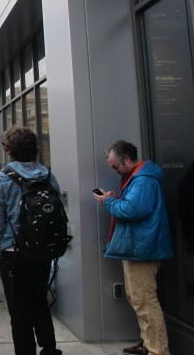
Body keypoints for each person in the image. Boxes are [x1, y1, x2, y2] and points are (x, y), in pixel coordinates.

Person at [94, 140, 173, 355]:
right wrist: (114, 200)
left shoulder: (144, 180)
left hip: (142, 249)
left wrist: (108, 202)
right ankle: (149, 344)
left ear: (127, 159)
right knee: (137, 298)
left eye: (115, 166)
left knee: (145, 301)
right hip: (139, 247)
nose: (115, 170)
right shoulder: (137, 178)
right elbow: (135, 207)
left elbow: (132, 211)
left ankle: (157, 350)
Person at [0, 127, 62, 355]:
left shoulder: (1, 179)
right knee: (40, 301)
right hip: (42, 251)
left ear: (9, 150)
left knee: (19, 312)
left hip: (14, 253)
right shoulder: (49, 176)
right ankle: (49, 349)